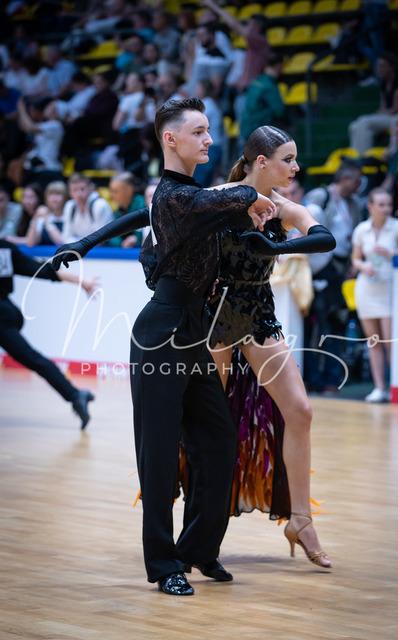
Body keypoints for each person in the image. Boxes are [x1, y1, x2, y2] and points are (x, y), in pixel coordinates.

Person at [50, 97, 276, 596]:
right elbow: (209, 202)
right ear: (170, 139)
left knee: (218, 440)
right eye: (198, 132)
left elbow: (141, 216)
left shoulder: (188, 196)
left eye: (209, 130)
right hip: (160, 333)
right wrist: (249, 195)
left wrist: (85, 242)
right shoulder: (175, 196)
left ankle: (197, 549)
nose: (209, 139)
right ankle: (163, 562)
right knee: (157, 452)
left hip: (193, 332)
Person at [206, 126, 335, 568]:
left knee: (300, 410)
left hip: (258, 312)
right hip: (214, 315)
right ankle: (202, 526)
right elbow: (163, 222)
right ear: (261, 162)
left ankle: (300, 519)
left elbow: (325, 238)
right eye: (288, 159)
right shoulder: (219, 197)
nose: (296, 166)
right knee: (209, 420)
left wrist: (276, 241)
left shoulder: (284, 207)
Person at [0, 238, 98, 428]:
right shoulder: (5, 248)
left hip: (3, 316)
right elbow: (41, 270)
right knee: (33, 358)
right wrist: (80, 280)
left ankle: (75, 395)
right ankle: (75, 395)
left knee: (32, 358)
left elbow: (41, 270)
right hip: (6, 313)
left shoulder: (5, 249)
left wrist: (81, 280)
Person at [351, 187, 398, 402]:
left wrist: (393, 253)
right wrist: (363, 266)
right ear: (370, 207)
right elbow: (355, 259)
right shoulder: (362, 230)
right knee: (373, 341)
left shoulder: (396, 226)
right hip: (366, 288)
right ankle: (379, 388)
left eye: (389, 204)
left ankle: (396, 386)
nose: (386, 209)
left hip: (389, 289)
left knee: (391, 341)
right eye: (381, 205)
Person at [304, 163, 364, 394]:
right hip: (319, 266)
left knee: (335, 323)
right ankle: (316, 379)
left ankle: (332, 378)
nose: (359, 185)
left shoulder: (353, 202)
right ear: (345, 178)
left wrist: (352, 264)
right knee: (318, 325)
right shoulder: (321, 196)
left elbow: (353, 235)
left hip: (342, 267)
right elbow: (309, 229)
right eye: (356, 180)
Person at [348, 53, 398, 155]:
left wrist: (379, 115)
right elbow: (383, 107)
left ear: (391, 67)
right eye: (378, 66)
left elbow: (396, 108)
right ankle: (355, 156)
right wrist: (376, 114)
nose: (379, 69)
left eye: (383, 66)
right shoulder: (384, 84)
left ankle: (362, 158)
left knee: (365, 122)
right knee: (354, 126)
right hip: (388, 116)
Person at [62, 173, 114, 243]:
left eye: (82, 189)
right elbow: (66, 237)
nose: (79, 194)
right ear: (70, 192)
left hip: (105, 248)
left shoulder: (100, 205)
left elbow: (100, 239)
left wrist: (77, 243)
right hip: (80, 247)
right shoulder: (69, 206)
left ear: (91, 188)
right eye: (75, 190)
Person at [108, 172, 146, 248]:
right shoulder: (119, 209)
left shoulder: (142, 205)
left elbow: (142, 235)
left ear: (129, 190)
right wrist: (121, 243)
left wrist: (137, 239)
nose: (111, 195)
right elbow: (111, 235)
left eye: (115, 191)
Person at [26, 180, 67, 246]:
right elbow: (31, 243)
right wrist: (34, 219)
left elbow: (61, 242)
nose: (54, 198)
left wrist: (47, 221)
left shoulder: (68, 214)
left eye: (58, 194)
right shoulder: (42, 214)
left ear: (65, 197)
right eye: (51, 194)